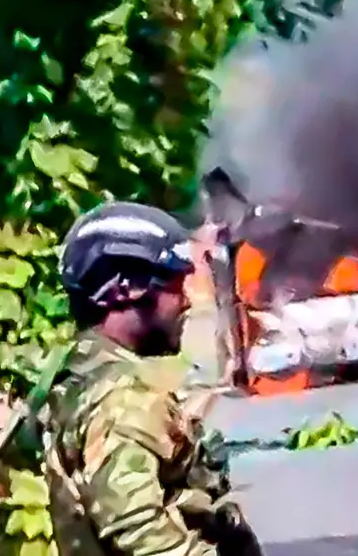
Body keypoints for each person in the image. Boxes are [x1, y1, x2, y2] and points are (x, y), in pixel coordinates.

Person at [45, 201, 263, 556]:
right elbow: (138, 529)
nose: (188, 302)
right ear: (126, 290)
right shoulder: (122, 397)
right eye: (174, 286)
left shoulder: (77, 372)